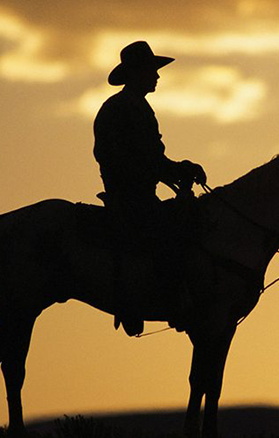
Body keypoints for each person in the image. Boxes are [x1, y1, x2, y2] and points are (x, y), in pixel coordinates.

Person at [93, 41, 206, 335]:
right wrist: (175, 170)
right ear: (136, 73)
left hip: (137, 191)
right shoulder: (123, 109)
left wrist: (177, 169)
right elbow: (136, 158)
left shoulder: (132, 107)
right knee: (173, 234)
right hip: (130, 196)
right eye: (151, 71)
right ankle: (158, 301)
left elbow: (152, 159)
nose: (157, 77)